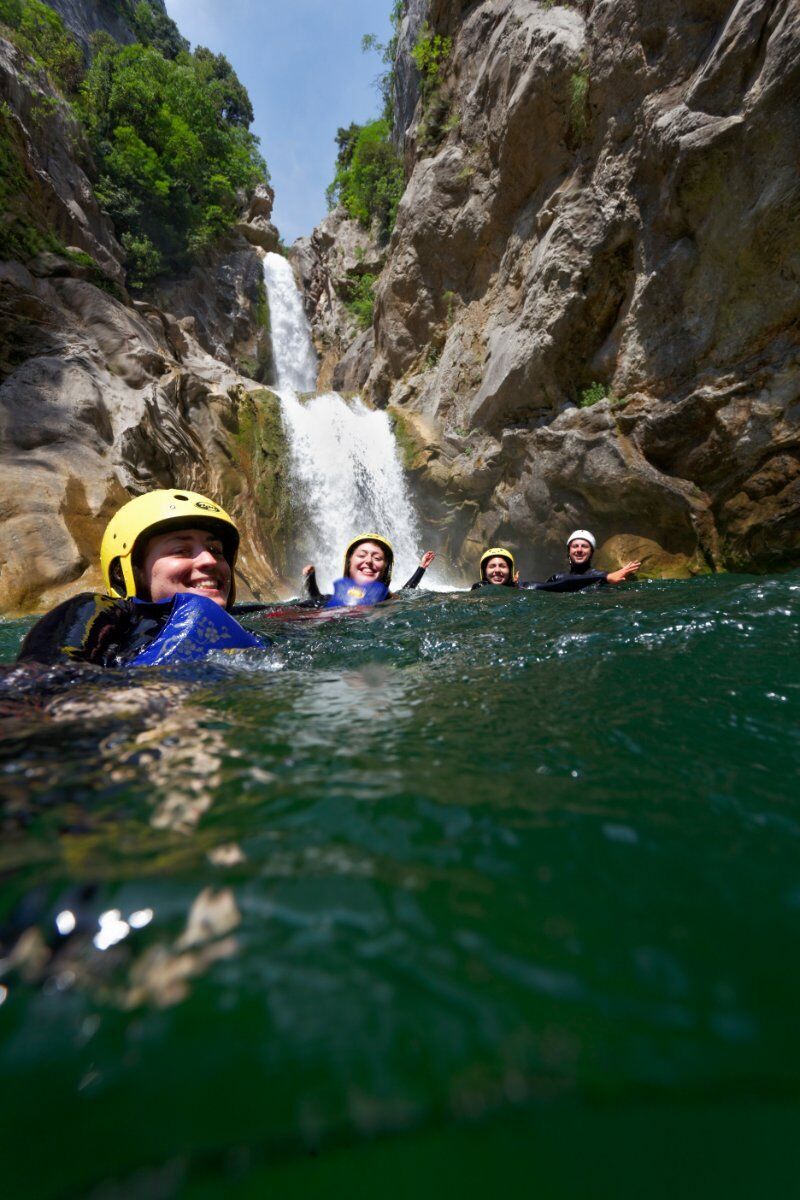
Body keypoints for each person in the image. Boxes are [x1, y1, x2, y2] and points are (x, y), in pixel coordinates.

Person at [17, 490, 268, 667]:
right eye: (181, 550)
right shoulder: (98, 612)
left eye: (216, 551)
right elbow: (45, 679)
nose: (210, 561)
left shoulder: (246, 624)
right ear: (125, 571)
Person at [302, 534, 436, 608]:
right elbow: (316, 600)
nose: (369, 561)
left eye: (377, 558)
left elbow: (407, 591)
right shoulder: (335, 599)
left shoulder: (387, 599)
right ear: (349, 563)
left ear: (385, 569)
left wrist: (422, 567)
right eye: (361, 555)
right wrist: (311, 579)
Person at [520, 529, 641, 592]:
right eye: (575, 546)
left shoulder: (600, 577)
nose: (579, 550)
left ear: (591, 552)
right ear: (569, 552)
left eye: (584, 546)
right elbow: (538, 589)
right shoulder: (557, 577)